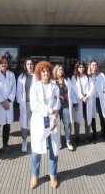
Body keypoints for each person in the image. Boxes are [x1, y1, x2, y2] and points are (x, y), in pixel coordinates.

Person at [29, 61, 61, 189]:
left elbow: (58, 103)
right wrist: (49, 111)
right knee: (36, 150)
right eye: (43, 71)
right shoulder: (35, 87)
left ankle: (53, 175)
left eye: (47, 71)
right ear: (39, 73)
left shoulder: (55, 86)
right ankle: (35, 175)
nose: (45, 73)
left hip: (52, 121)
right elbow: (34, 105)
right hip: (39, 121)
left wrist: (53, 118)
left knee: (54, 149)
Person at [0, 55, 16, 155]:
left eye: (5, 62)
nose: (3, 64)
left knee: (7, 127)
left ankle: (5, 144)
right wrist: (2, 101)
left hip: (8, 104)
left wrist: (8, 100)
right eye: (1, 63)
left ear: (7, 64)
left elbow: (14, 88)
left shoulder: (11, 75)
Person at [53, 64, 76, 151]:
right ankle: (58, 141)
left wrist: (75, 103)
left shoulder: (67, 80)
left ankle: (68, 140)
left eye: (62, 70)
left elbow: (72, 92)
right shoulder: (52, 81)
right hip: (57, 106)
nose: (61, 71)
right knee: (57, 124)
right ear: (56, 70)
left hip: (66, 105)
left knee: (68, 123)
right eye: (59, 70)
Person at [71, 61, 94, 143]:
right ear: (77, 68)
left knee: (88, 118)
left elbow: (92, 87)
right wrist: (81, 97)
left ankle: (88, 135)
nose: (81, 68)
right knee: (77, 119)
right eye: (79, 67)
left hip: (87, 100)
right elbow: (74, 89)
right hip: (79, 100)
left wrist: (87, 96)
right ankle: (77, 136)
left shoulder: (88, 77)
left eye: (83, 67)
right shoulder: (74, 77)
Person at [16, 58, 35, 153]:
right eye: (28, 64)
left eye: (31, 64)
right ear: (25, 66)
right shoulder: (21, 77)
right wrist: (20, 101)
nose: (30, 66)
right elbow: (18, 92)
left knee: (34, 123)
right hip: (25, 103)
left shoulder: (37, 76)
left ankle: (33, 141)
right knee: (24, 123)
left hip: (35, 104)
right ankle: (24, 142)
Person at [88, 60, 105, 140]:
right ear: (90, 66)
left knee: (102, 116)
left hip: (100, 98)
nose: (94, 67)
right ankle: (94, 133)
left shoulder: (102, 75)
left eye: (95, 65)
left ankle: (103, 133)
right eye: (93, 65)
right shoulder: (88, 76)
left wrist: (104, 92)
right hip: (92, 98)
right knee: (93, 116)